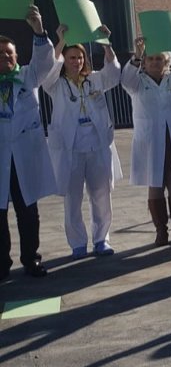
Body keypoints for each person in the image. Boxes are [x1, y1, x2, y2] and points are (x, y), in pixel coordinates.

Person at [46, 24, 121, 257]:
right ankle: (78, 244)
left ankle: (101, 239)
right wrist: (59, 41)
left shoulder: (95, 80)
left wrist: (105, 42)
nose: (76, 61)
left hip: (97, 144)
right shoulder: (56, 85)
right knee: (73, 198)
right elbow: (47, 69)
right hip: (71, 148)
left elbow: (114, 72)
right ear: (64, 59)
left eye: (79, 57)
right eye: (71, 57)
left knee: (101, 195)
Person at [122, 35, 171, 245]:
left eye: (160, 59)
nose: (155, 62)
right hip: (150, 141)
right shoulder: (137, 82)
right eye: (151, 59)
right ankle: (161, 231)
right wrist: (137, 55)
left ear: (167, 62)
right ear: (144, 63)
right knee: (154, 185)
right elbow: (125, 79)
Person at [0, 6, 56, 278]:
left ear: (16, 56)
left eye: (8, 53)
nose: (4, 57)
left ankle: (30, 258)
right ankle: (1, 264)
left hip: (23, 154)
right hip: (1, 156)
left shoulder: (28, 76)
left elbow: (45, 62)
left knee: (27, 211)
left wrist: (38, 30)